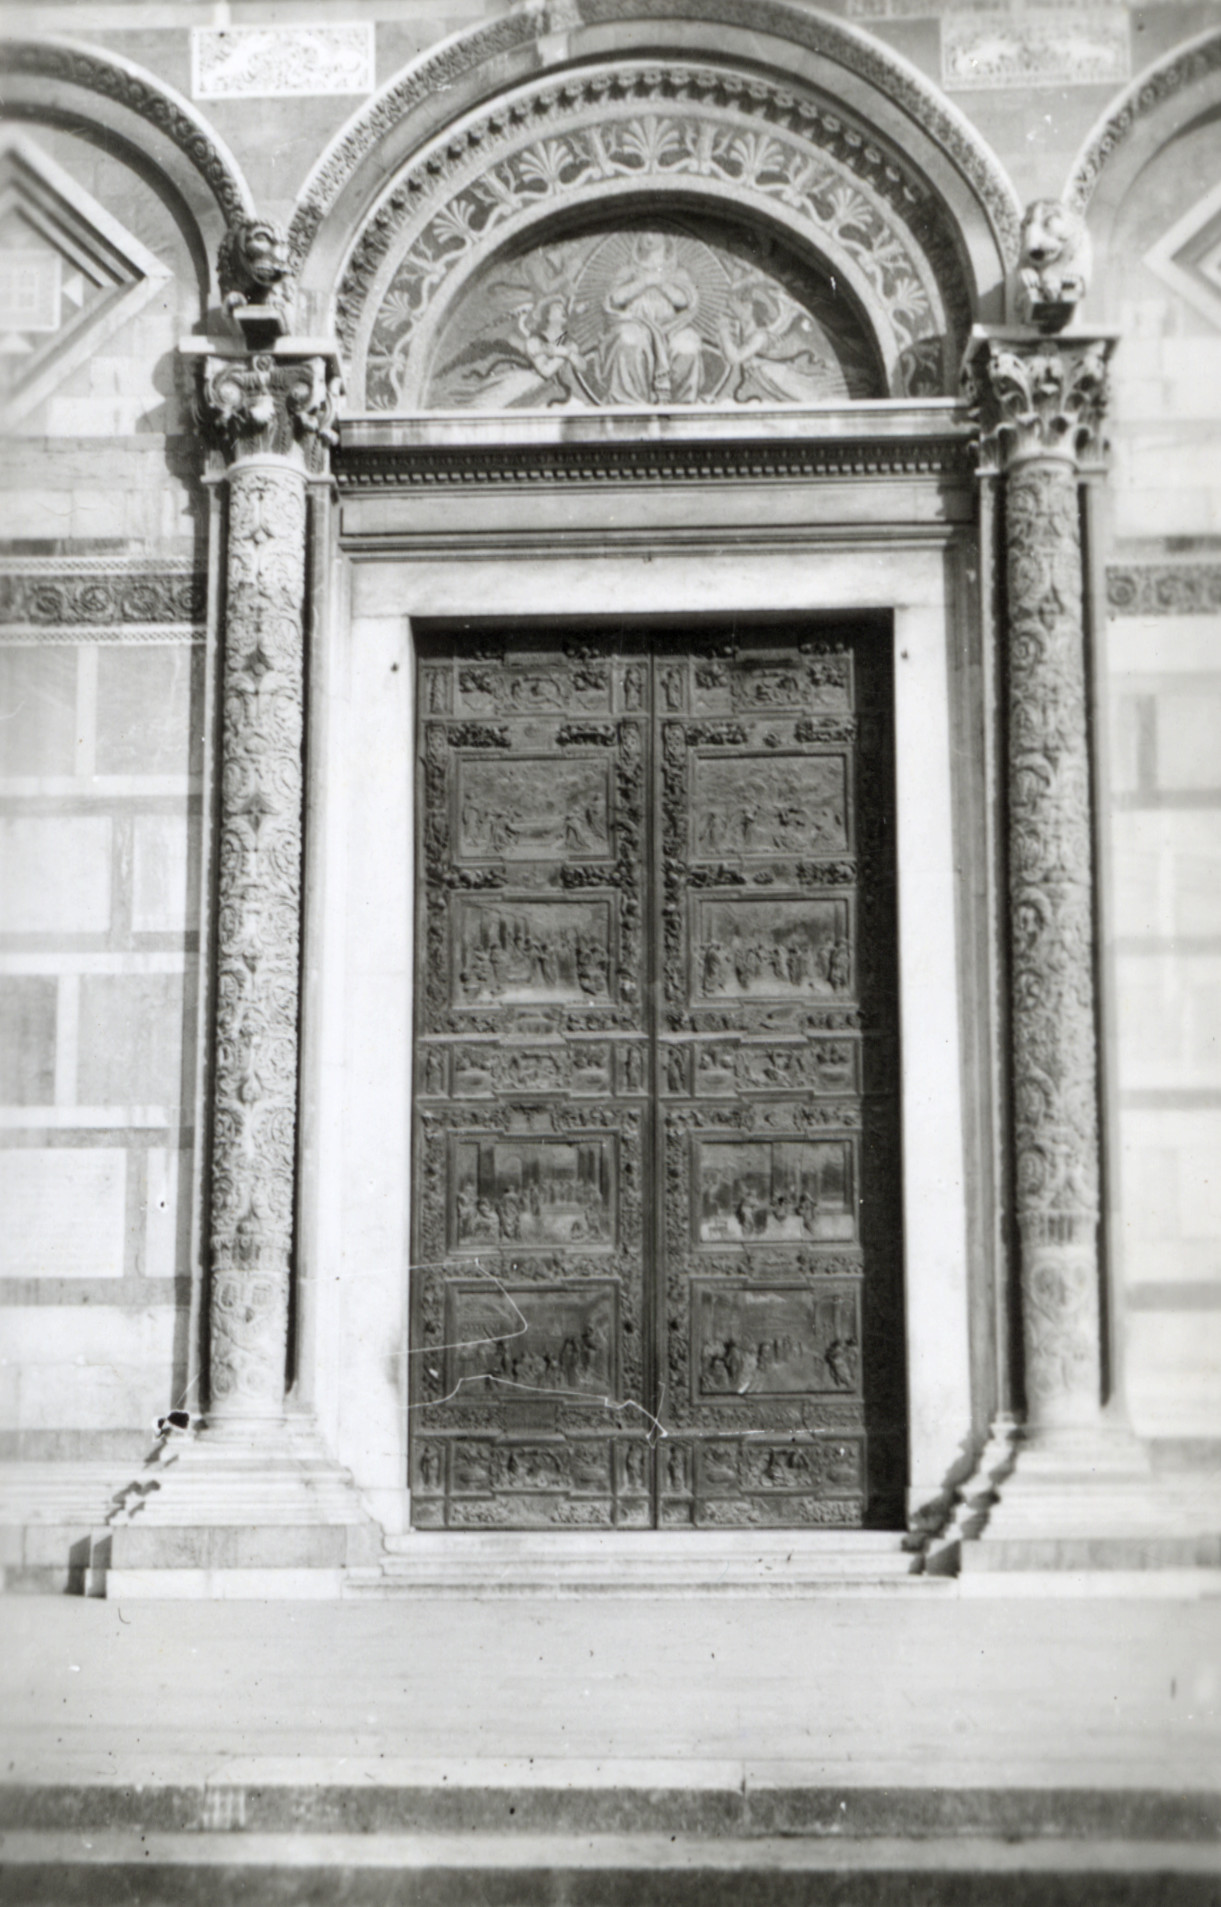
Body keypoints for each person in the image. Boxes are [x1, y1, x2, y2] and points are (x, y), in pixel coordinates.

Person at [602, 232, 703, 404]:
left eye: (655, 232)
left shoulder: (678, 273)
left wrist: (661, 282)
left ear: (666, 240)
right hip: (635, 323)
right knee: (629, 339)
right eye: (645, 233)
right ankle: (630, 402)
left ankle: (682, 404)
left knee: (688, 345)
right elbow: (616, 299)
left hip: (671, 327)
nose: (649, 236)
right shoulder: (628, 271)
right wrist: (643, 282)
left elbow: (684, 300)